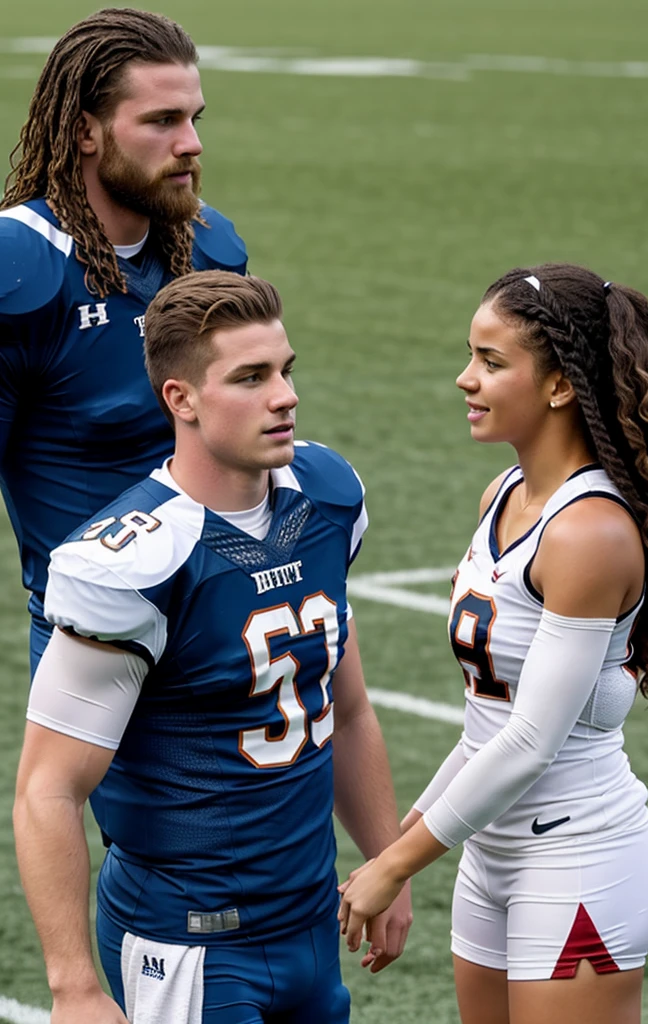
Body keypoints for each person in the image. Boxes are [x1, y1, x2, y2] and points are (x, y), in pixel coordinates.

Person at [13, 270, 413, 1024]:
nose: (284, 395)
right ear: (182, 399)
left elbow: (347, 709)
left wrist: (389, 862)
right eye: (251, 377)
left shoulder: (326, 495)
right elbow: (47, 789)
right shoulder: (133, 563)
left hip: (310, 923)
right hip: (192, 943)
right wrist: (73, 987)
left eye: (286, 370)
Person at [338, 263, 648, 1024]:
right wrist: (397, 848)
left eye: (491, 363)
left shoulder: (588, 532)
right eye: (471, 355)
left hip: (578, 857)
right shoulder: (502, 495)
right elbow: (486, 727)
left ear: (560, 385)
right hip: (490, 855)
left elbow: (530, 741)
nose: (466, 379)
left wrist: (396, 865)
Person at [0, 8, 248, 676]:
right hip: (99, 644)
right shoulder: (20, 268)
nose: (191, 143)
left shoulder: (212, 250)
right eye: (163, 121)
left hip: (227, 624)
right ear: (85, 131)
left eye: (195, 119)